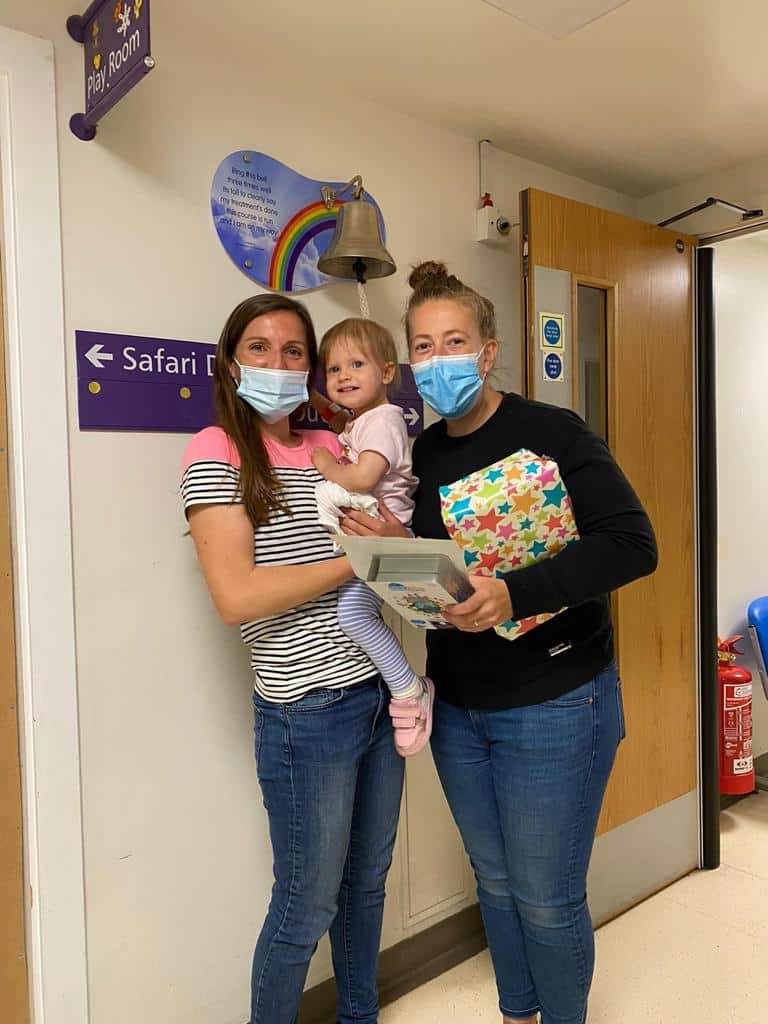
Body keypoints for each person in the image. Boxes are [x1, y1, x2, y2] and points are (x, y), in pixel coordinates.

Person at [340, 261, 658, 1024]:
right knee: (497, 883)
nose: (439, 358)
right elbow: (441, 580)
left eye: (455, 341)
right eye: (424, 345)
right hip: (461, 709)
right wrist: (396, 549)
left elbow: (632, 544)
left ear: (487, 351)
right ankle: (519, 1013)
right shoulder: (427, 455)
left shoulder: (551, 432)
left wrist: (516, 592)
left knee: (547, 901)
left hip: (557, 701)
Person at [180, 294, 404, 1024]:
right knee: (307, 900)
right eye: (259, 348)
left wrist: (391, 539)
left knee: (367, 883)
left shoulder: (324, 448)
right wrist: (357, 560)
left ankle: (359, 1016)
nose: (278, 364)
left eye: (294, 352)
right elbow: (239, 598)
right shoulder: (216, 450)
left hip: (377, 691)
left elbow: (388, 540)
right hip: (306, 711)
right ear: (230, 360)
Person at [311, 317, 434, 755]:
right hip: (369, 540)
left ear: (386, 372)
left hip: (383, 541)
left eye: (356, 365)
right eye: (333, 369)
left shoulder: (382, 419)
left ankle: (409, 689)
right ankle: (406, 687)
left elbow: (363, 477)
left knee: (353, 616)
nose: (343, 376)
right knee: (351, 613)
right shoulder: (363, 419)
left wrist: (325, 463)